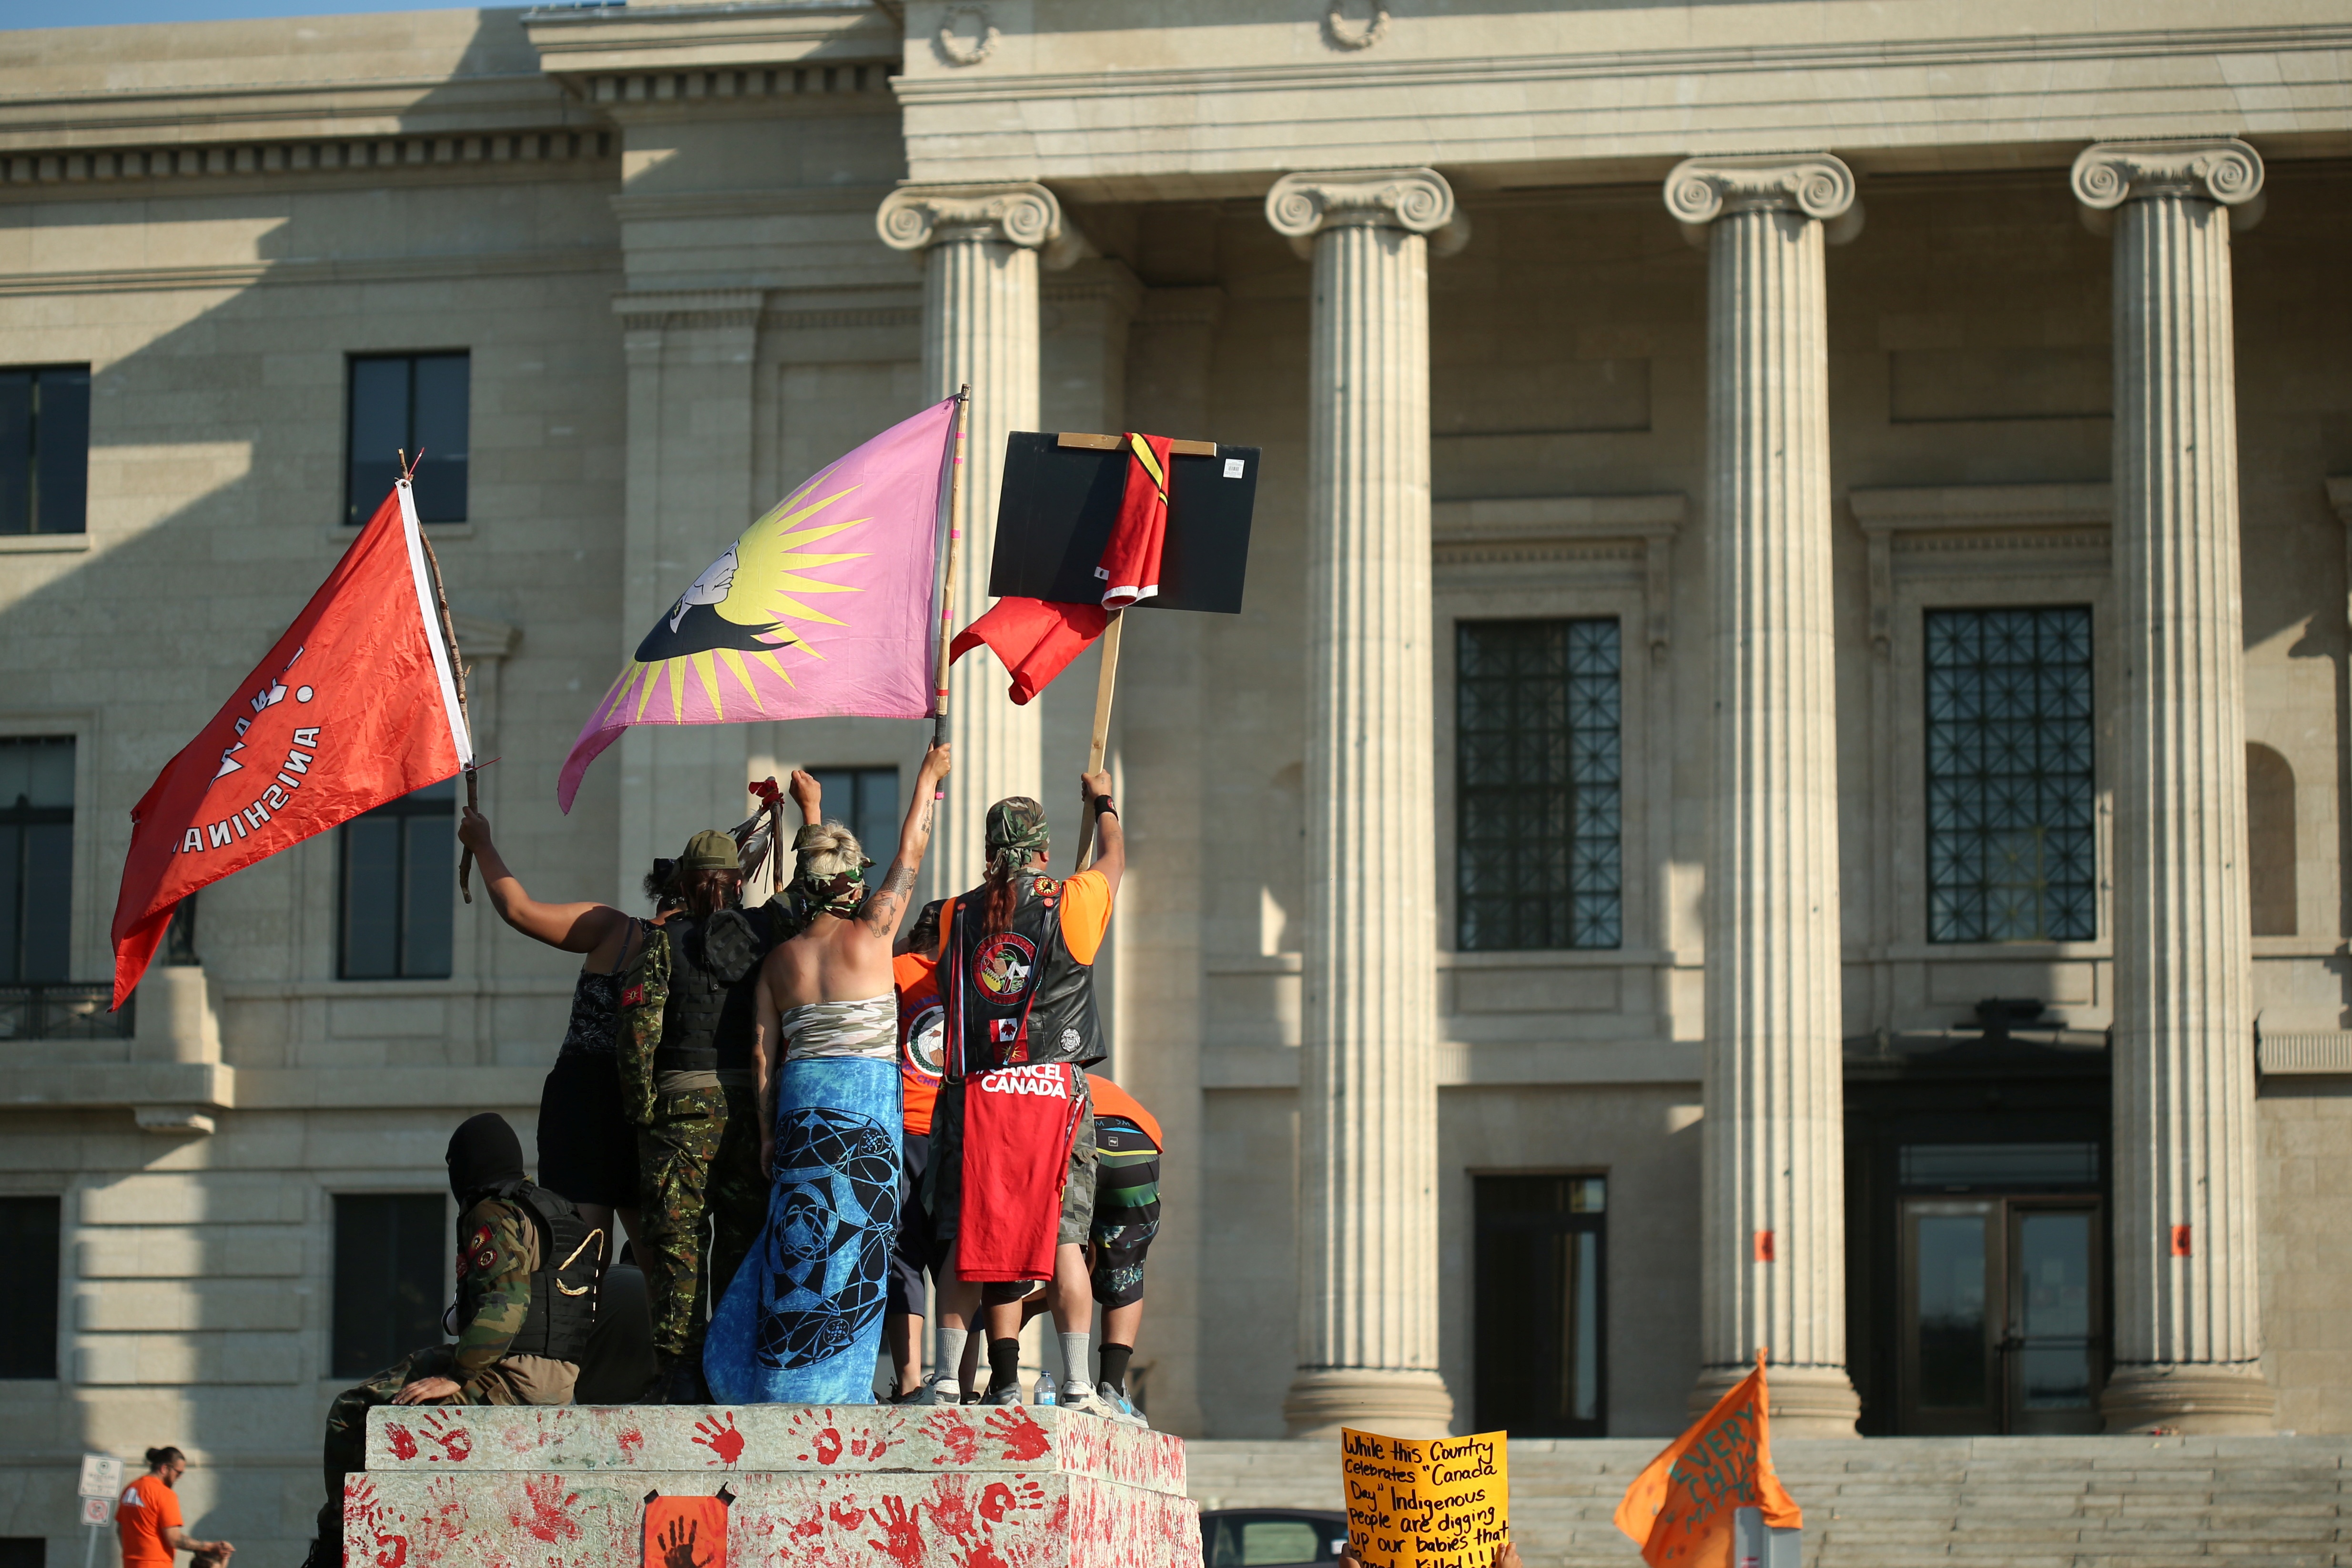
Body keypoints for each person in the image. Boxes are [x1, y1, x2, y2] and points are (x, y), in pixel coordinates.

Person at [705, 742, 951, 1402]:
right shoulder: (871, 934)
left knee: (800, 1242)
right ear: (851, 886)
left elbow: (764, 1056)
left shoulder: (779, 960)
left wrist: (763, 1136)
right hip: (864, 1109)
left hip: (800, 1108)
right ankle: (836, 1383)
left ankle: (783, 1371)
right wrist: (926, 777)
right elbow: (912, 854)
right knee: (856, 1249)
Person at [304, 1114, 598, 1568]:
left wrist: (458, 1375)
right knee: (420, 1366)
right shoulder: (555, 1209)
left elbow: (506, 1303)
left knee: (352, 1410)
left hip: (508, 1378)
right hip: (557, 1382)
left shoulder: (492, 1211)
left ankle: (334, 1544)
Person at [929, 774, 1123, 1417]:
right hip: (1050, 1087)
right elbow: (1114, 859)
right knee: (1065, 1236)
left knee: (968, 1233)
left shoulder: (956, 912)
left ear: (990, 851)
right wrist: (1104, 804)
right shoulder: (1072, 897)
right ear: (1043, 850)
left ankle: (945, 1381)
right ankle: (1075, 1384)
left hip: (979, 1088)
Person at [619, 821, 810, 1402]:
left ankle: (679, 1374)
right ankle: (730, 1369)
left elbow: (636, 1037)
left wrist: (643, 1111)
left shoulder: (660, 943)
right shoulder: (766, 930)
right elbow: (810, 892)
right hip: (748, 1117)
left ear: (688, 882)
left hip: (679, 1113)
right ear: (734, 881)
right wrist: (805, 812)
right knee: (739, 1243)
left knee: (679, 1249)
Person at [456, 810, 669, 1258]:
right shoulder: (707, 949)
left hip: (585, 1097)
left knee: (582, 1262)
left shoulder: (616, 928)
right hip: (650, 1101)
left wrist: (483, 845)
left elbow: (519, 911)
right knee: (660, 1266)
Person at [883, 898, 949, 1400]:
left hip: (901, 1128)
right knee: (954, 1255)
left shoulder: (894, 971)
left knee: (902, 1255)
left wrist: (900, 946)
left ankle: (908, 1380)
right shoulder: (971, 980)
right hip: (955, 1134)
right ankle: (956, 1379)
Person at [1083, 1072, 1161, 1425]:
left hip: (1077, 1130)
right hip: (1137, 1141)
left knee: (1060, 1251)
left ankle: (1013, 1378)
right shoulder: (1091, 1077)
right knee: (1127, 1270)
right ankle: (1111, 1389)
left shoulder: (1024, 1076)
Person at [118, 1447, 233, 1568]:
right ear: (165, 1468)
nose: (180, 1477)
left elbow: (120, 1529)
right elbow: (174, 1539)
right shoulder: (164, 1494)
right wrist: (210, 1547)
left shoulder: (131, 1488)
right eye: (179, 1473)